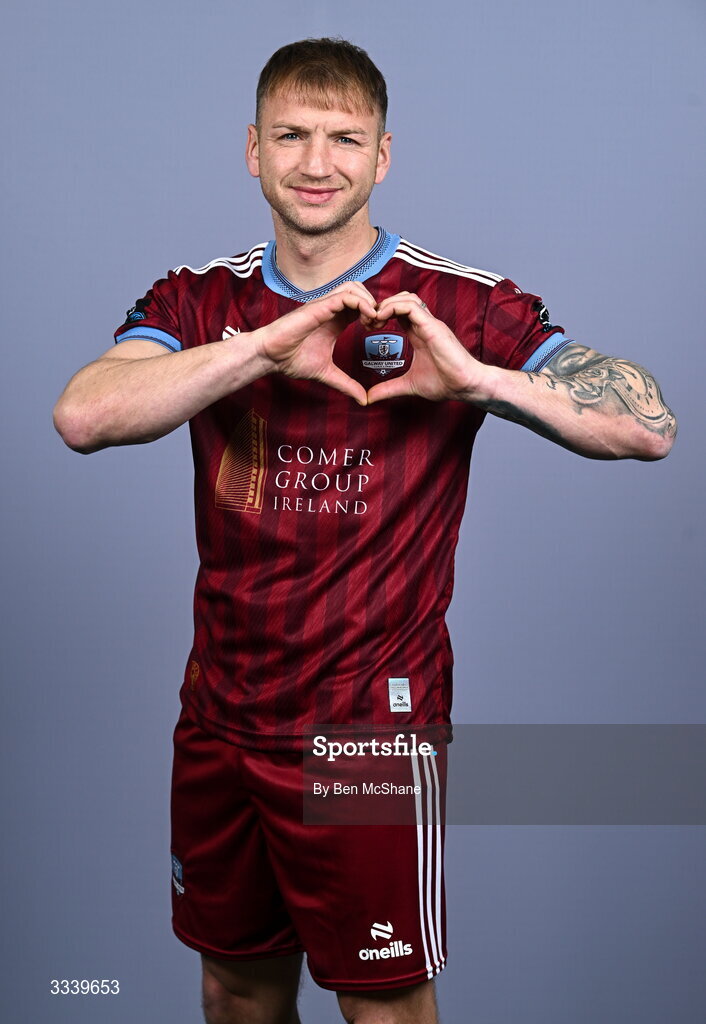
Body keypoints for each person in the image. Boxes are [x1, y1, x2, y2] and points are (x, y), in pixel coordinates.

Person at [53, 36, 676, 1024]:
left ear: (382, 156)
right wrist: (261, 352)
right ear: (250, 149)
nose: (315, 162)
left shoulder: (458, 303)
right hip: (220, 715)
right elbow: (85, 416)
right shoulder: (200, 299)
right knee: (235, 990)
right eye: (291, 136)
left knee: (382, 1007)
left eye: (344, 138)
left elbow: (647, 429)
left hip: (368, 734)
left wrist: (478, 382)